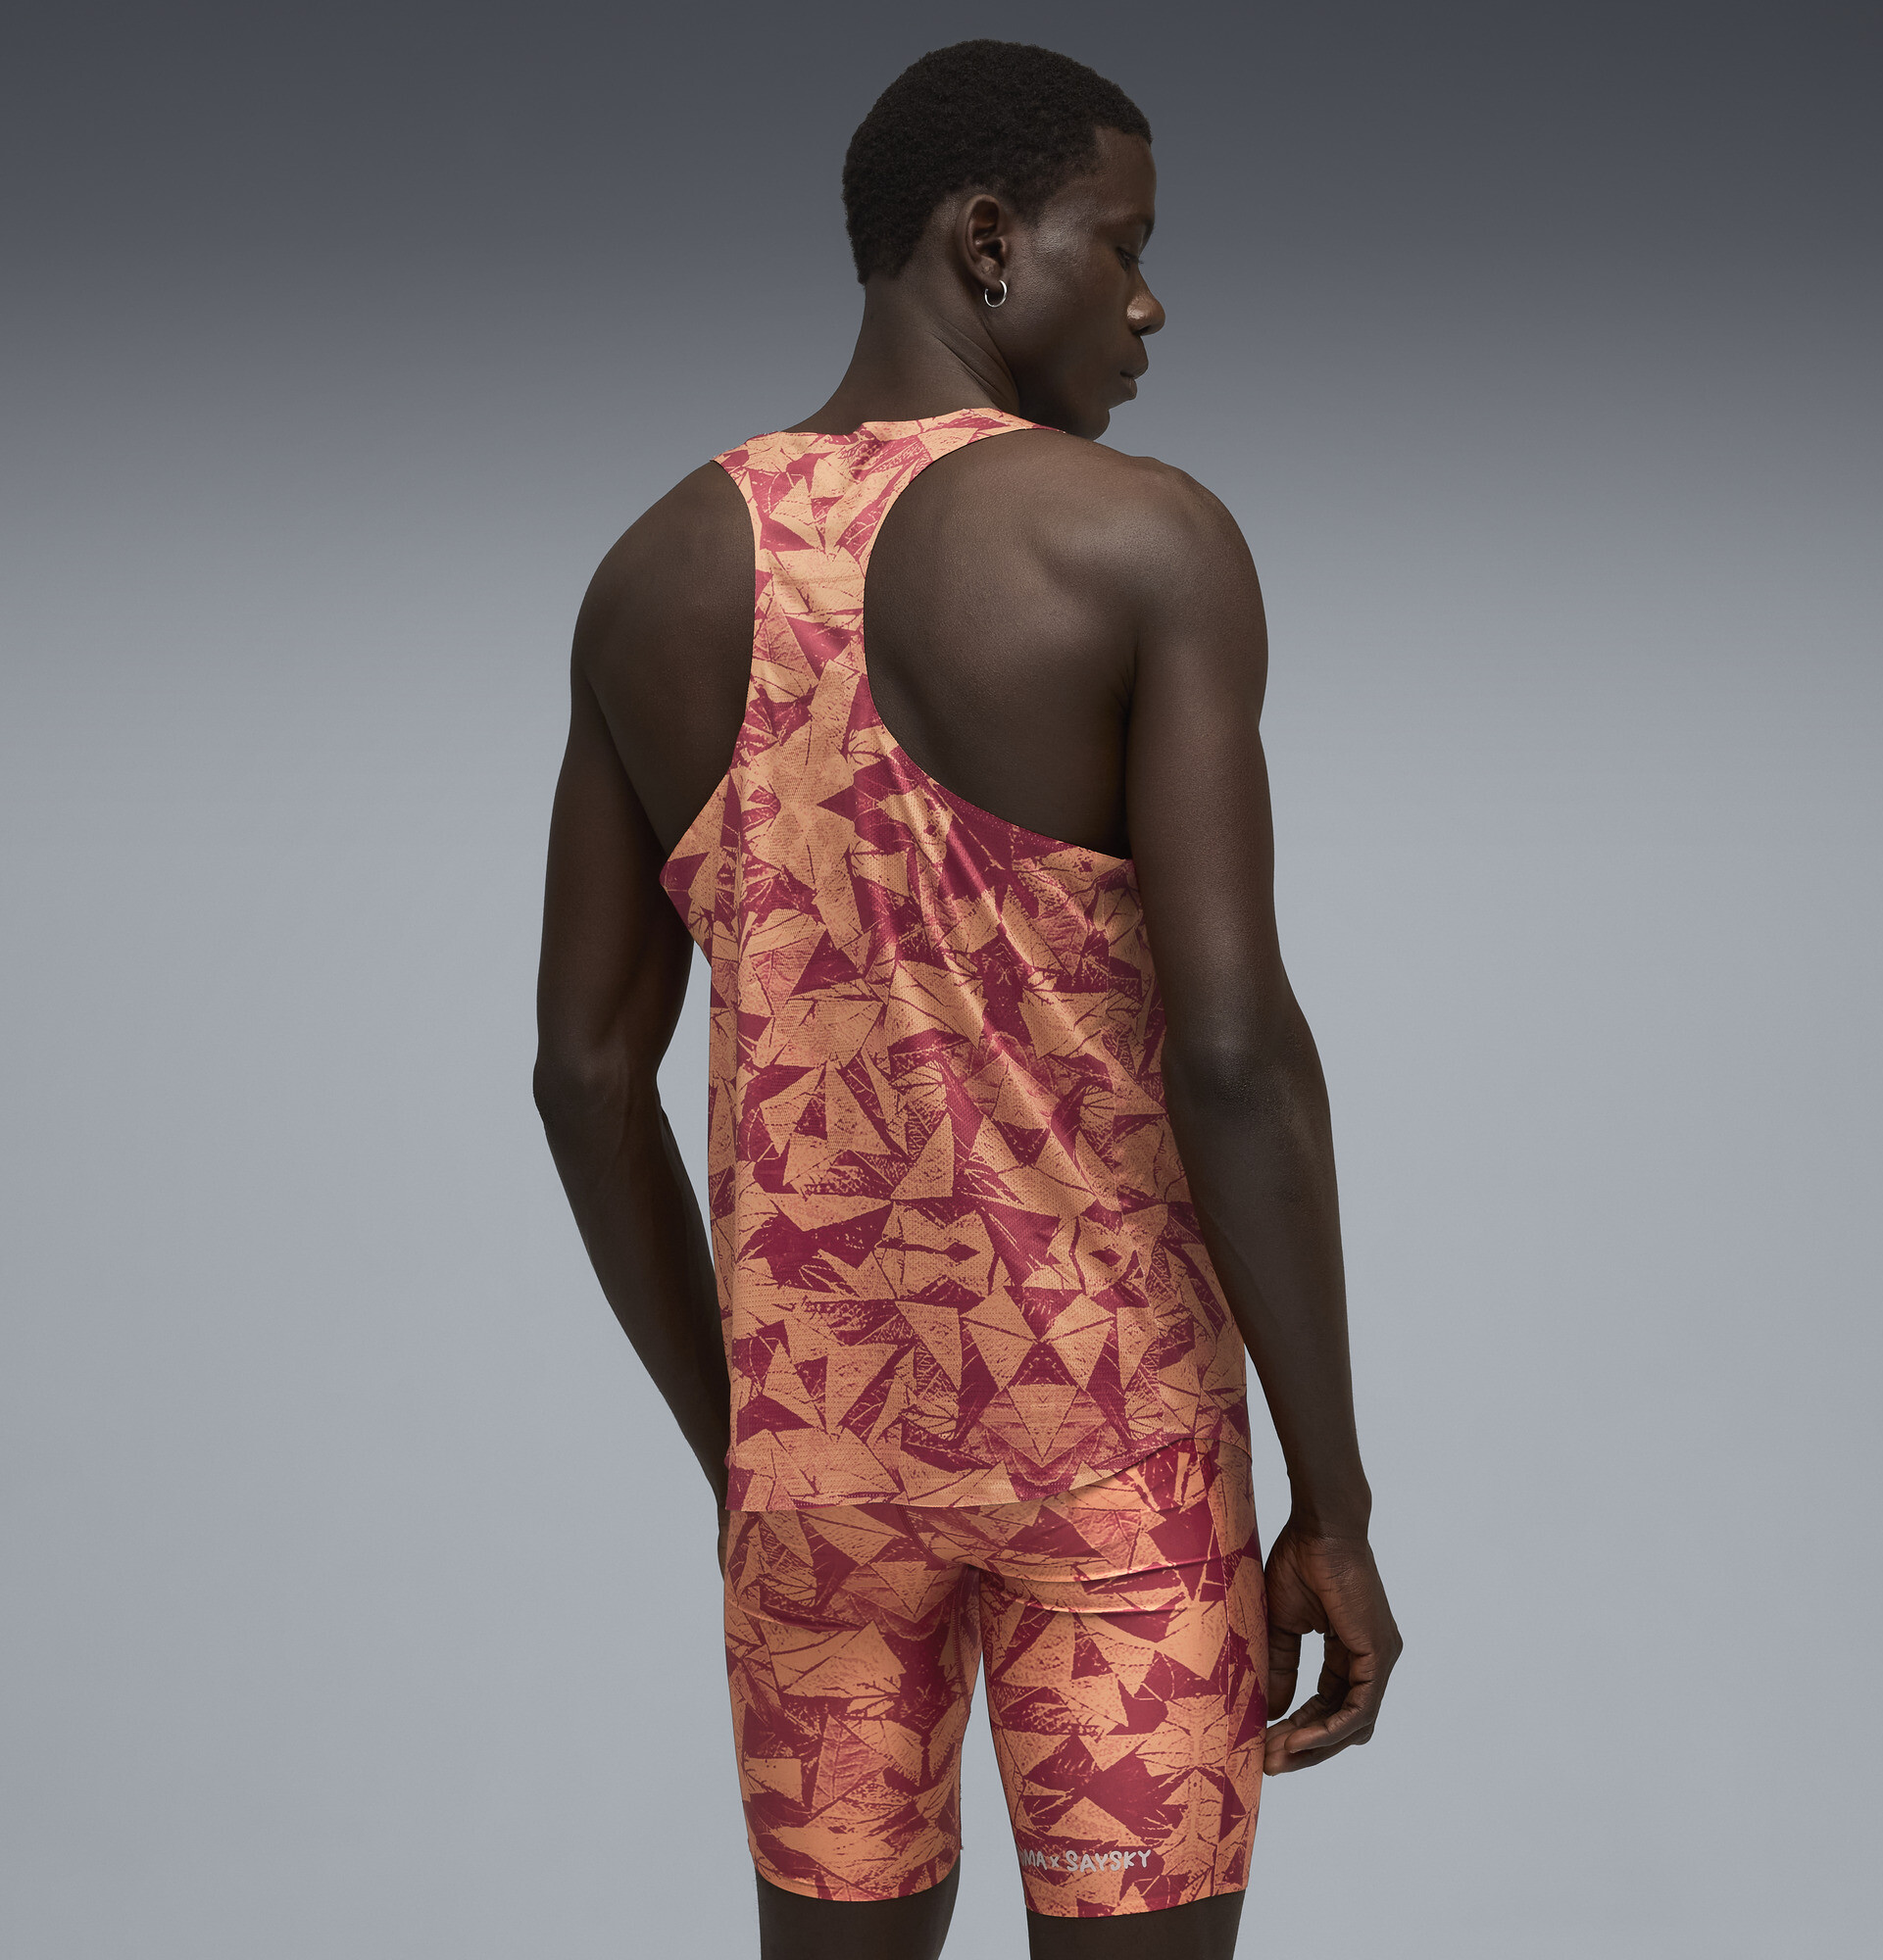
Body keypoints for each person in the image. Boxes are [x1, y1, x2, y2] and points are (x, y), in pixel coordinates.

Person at [533, 38, 1401, 1960]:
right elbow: (1234, 1053)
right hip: (1115, 1461)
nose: (1150, 304)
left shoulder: (648, 576)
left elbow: (583, 1074)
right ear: (991, 241)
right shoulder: (1143, 543)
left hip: (819, 1482)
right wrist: (1330, 1500)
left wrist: (747, 1453)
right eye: (1127, 245)